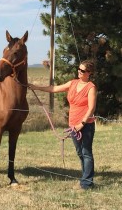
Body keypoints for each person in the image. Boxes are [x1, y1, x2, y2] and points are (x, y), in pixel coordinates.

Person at [28, 60, 97, 190]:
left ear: (89, 73)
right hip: (72, 125)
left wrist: (81, 124)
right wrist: (36, 87)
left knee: (86, 152)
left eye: (82, 71)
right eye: (79, 69)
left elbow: (91, 108)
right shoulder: (72, 83)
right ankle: (85, 177)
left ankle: (87, 183)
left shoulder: (91, 87)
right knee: (80, 152)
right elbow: (54, 88)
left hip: (85, 125)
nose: (79, 72)